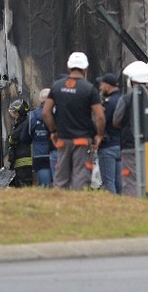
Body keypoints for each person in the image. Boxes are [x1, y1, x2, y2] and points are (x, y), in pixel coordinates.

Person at [43, 51, 104, 190]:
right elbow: (100, 116)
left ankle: (60, 206)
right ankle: (77, 205)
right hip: (82, 140)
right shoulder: (89, 89)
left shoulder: (57, 86)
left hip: (63, 139)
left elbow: (46, 113)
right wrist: (99, 135)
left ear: (68, 68)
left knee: (61, 177)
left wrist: (53, 131)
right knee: (80, 176)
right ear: (85, 69)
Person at [112, 60, 148, 197]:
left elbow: (116, 120)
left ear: (132, 80)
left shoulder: (126, 99)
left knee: (130, 180)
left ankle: (133, 206)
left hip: (129, 146)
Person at [96, 73, 123, 194]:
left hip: (108, 147)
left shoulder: (109, 103)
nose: (100, 87)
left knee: (108, 182)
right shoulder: (123, 99)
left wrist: (98, 136)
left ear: (108, 85)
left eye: (102, 84)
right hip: (120, 145)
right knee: (119, 182)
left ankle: (113, 207)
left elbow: (101, 120)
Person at [27, 88, 53, 186]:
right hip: (56, 153)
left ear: (40, 99)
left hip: (39, 154)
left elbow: (25, 137)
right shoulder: (57, 113)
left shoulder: (32, 116)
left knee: (43, 185)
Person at [6, 99, 34, 186]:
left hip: (23, 161)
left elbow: (13, 138)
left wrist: (10, 139)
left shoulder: (23, 124)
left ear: (20, 112)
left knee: (24, 185)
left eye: (15, 113)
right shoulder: (23, 122)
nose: (13, 115)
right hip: (21, 160)